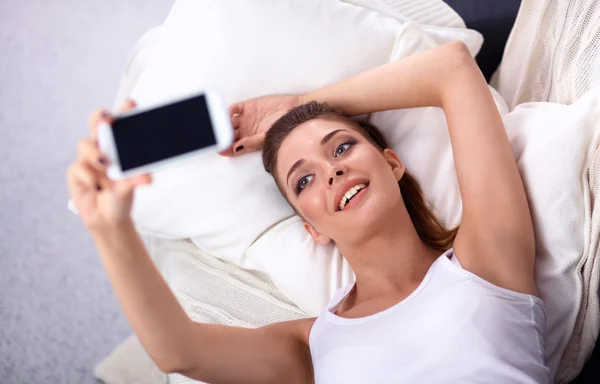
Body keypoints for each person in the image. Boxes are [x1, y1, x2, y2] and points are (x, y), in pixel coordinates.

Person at [67, 41, 550, 383]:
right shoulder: (312, 344)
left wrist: (303, 105)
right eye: (304, 179)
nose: (331, 172)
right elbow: (179, 351)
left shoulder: (486, 258)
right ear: (312, 228)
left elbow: (452, 68)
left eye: (340, 148)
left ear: (392, 163)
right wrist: (110, 228)